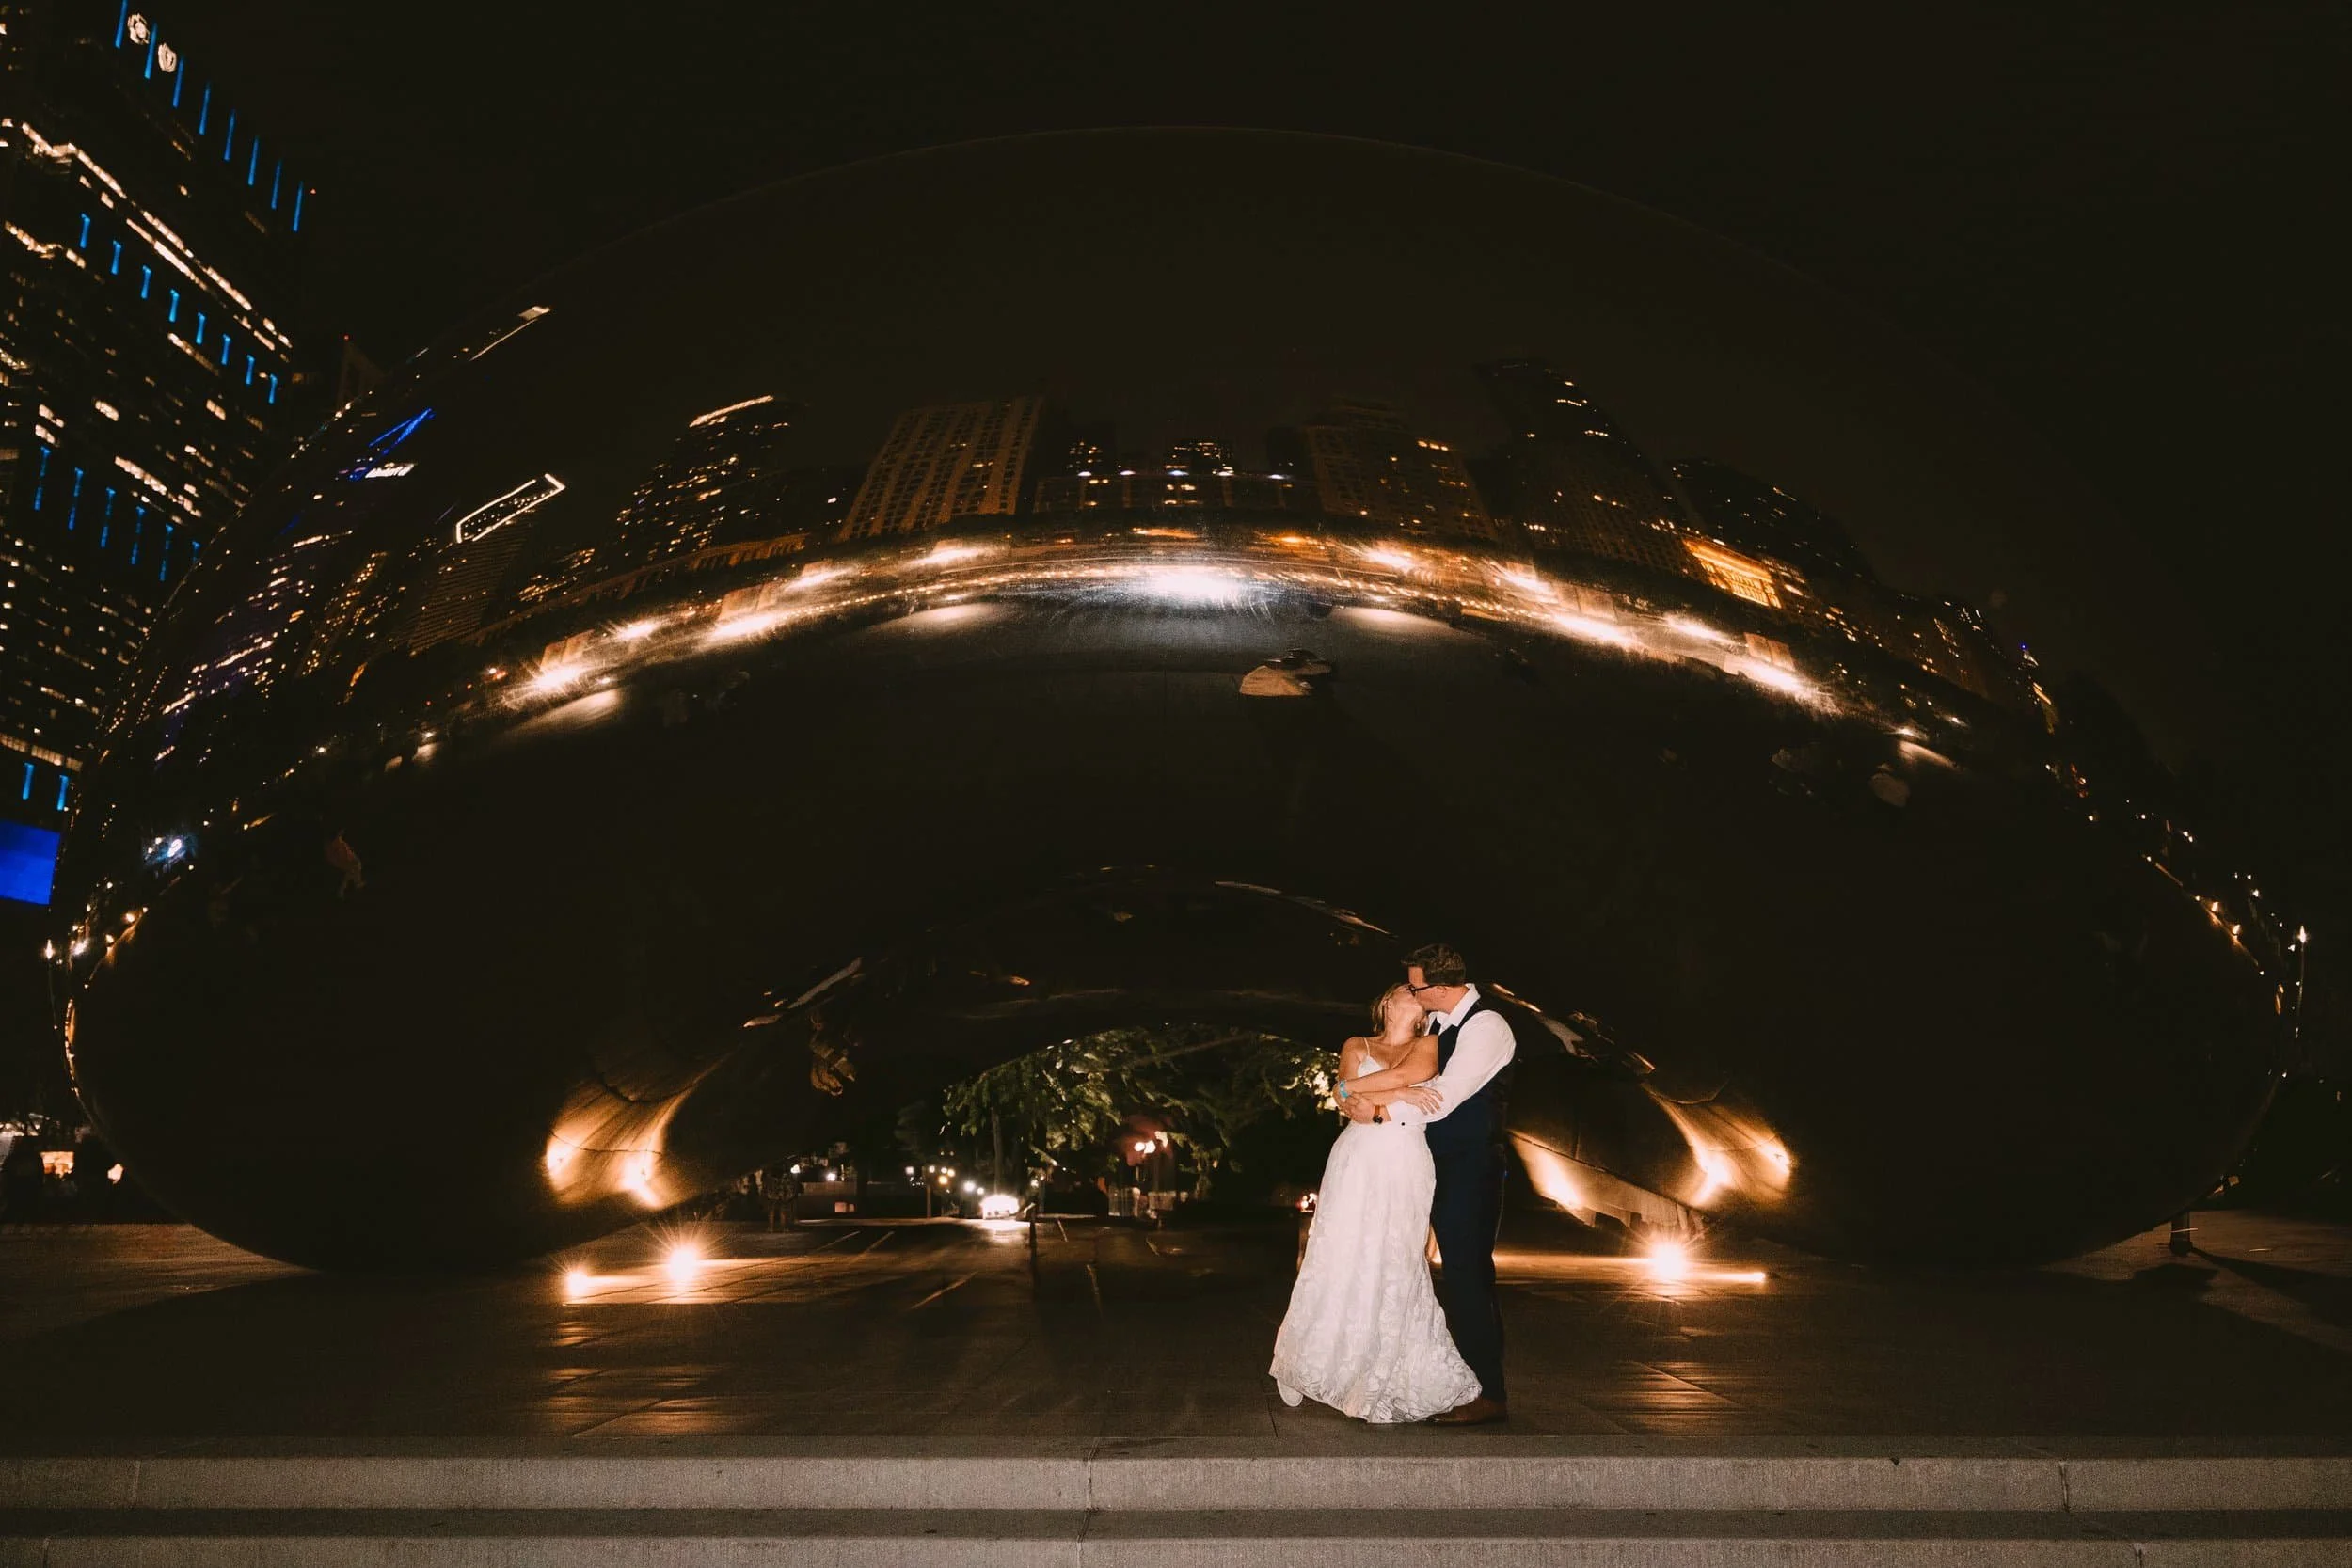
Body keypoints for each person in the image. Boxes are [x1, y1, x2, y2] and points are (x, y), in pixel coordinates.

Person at [1267, 982, 1482, 1424]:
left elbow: (1363, 1089)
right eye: (1407, 990)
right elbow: (1345, 1101)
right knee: (1341, 1255)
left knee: (1397, 1260)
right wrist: (1396, 1096)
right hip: (1357, 1159)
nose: (1415, 995)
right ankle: (1308, 1361)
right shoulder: (1356, 1044)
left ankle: (1383, 1370)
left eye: (1420, 994)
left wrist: (1368, 1093)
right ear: (1386, 1003)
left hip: (1405, 1158)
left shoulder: (1430, 1045)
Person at [1336, 942, 1517, 1425]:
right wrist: (1351, 1092)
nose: (1411, 993)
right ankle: (1424, 1375)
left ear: (1437, 988)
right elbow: (1405, 1075)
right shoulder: (1435, 1025)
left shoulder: (1487, 1026)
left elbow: (1446, 1094)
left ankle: (1489, 1393)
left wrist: (1376, 1110)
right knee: (1406, 1270)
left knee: (1465, 1273)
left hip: (1469, 1165)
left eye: (1416, 986)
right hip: (1420, 1164)